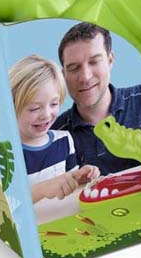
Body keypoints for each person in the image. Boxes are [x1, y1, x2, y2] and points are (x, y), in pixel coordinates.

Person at [53, 22, 141, 174]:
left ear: (110, 60)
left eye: (94, 62)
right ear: (63, 74)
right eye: (74, 68)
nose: (85, 77)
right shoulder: (55, 134)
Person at [9, 55, 100, 203]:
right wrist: (44, 188)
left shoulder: (64, 140)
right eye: (35, 108)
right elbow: (7, 202)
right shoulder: (7, 152)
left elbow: (70, 188)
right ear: (11, 107)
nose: (46, 115)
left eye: (54, 104)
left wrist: (79, 179)